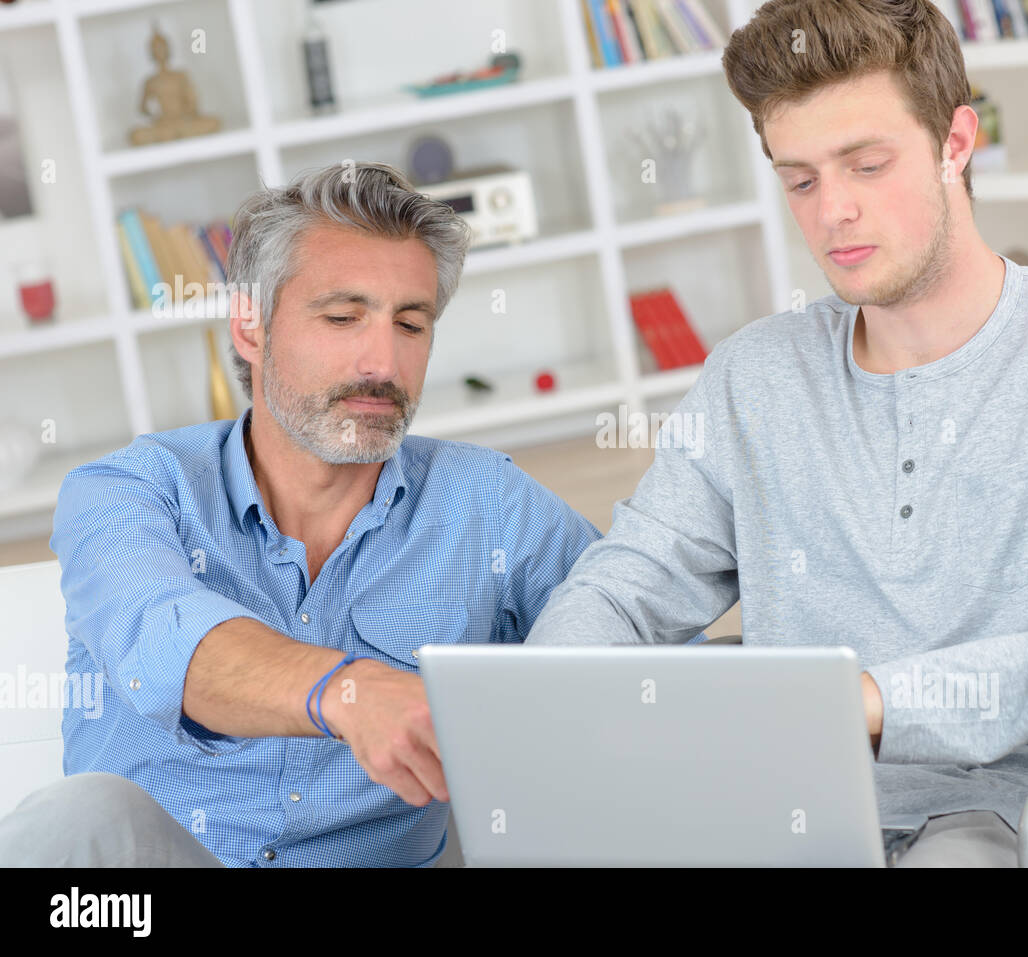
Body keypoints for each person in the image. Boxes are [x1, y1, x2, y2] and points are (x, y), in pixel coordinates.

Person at [524, 0, 1028, 867]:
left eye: (867, 164)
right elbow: (629, 585)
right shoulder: (753, 376)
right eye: (800, 179)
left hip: (1014, 814)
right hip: (784, 811)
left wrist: (890, 699)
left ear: (956, 142)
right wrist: (536, 707)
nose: (832, 211)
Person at [0, 162, 600, 867]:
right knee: (83, 817)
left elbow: (639, 658)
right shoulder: (129, 493)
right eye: (343, 317)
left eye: (411, 323)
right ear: (251, 328)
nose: (383, 360)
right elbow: (170, 645)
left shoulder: (489, 505)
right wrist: (348, 690)